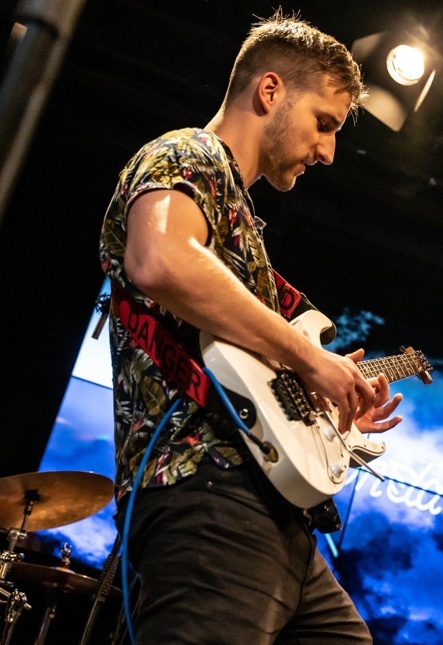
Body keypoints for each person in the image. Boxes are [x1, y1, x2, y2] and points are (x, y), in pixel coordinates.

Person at [98, 11, 403, 644]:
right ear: (269, 91)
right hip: (204, 489)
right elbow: (160, 259)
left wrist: (326, 411)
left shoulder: (243, 222)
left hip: (270, 509)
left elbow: (246, 373)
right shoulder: (186, 154)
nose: (329, 152)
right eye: (324, 123)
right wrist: (310, 358)